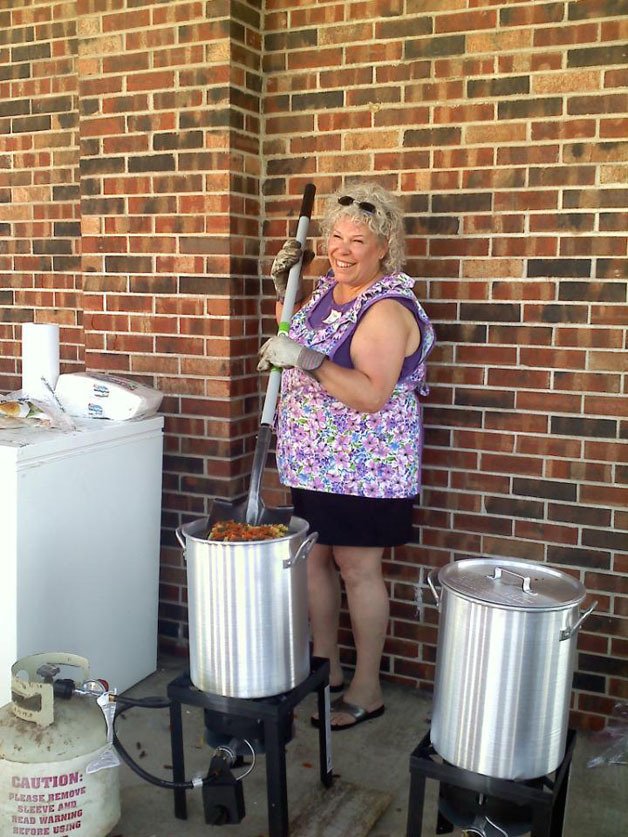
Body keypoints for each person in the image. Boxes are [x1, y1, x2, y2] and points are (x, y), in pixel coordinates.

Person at [258, 181, 435, 731]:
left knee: (358, 569)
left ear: (384, 247)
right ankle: (327, 670)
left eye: (357, 241)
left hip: (366, 470)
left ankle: (367, 689)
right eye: (336, 237)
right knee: (315, 560)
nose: (342, 249)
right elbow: (296, 331)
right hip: (314, 462)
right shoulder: (326, 291)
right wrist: (284, 288)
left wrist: (304, 358)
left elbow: (371, 394)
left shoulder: (385, 309)